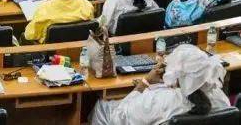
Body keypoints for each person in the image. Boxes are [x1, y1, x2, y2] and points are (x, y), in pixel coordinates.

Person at [89, 44, 230, 125]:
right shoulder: (221, 98)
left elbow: (118, 119)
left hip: (126, 114)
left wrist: (143, 85)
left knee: (101, 106)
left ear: (178, 75)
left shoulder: (160, 101)